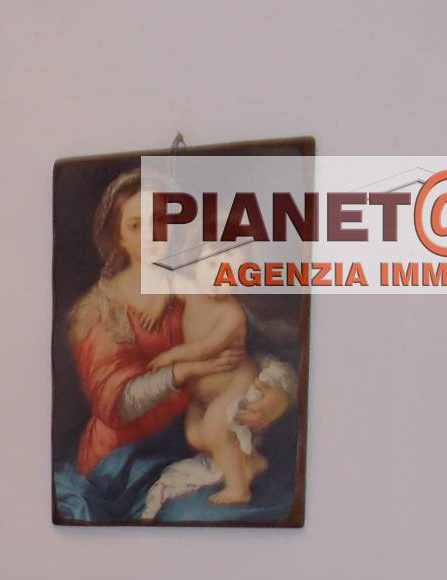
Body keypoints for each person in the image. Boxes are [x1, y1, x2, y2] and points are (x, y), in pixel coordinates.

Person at [61, 170, 296, 521]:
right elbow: (118, 404)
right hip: (126, 461)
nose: (152, 235)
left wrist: (281, 392)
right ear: (117, 236)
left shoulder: (203, 283)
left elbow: (250, 352)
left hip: (193, 442)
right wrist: (184, 370)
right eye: (136, 226)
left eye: (161, 221)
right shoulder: (98, 312)